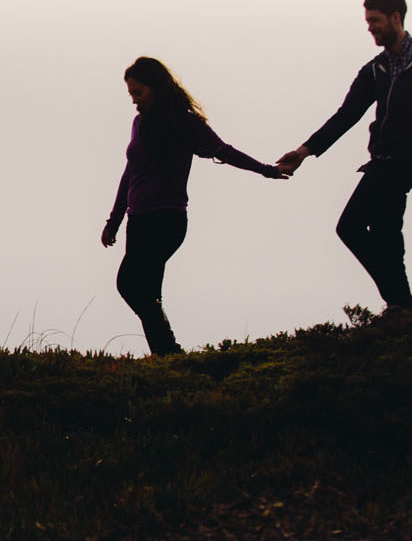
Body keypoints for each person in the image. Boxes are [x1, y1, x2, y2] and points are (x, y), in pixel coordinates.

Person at [275, 0, 412, 315]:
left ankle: (398, 299)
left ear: (396, 18)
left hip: (406, 159)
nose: (370, 28)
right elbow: (346, 115)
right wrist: (304, 151)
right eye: (367, 22)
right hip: (380, 159)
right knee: (386, 232)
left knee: (349, 226)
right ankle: (402, 308)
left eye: (375, 20)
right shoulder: (375, 70)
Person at [102, 57, 287, 355]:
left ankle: (171, 350)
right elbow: (130, 173)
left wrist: (265, 169)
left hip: (167, 219)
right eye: (131, 94)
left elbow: (223, 151)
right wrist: (114, 221)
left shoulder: (184, 122)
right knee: (149, 292)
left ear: (156, 88)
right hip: (138, 220)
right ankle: (166, 359)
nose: (134, 101)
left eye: (139, 93)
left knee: (129, 284)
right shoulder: (139, 124)